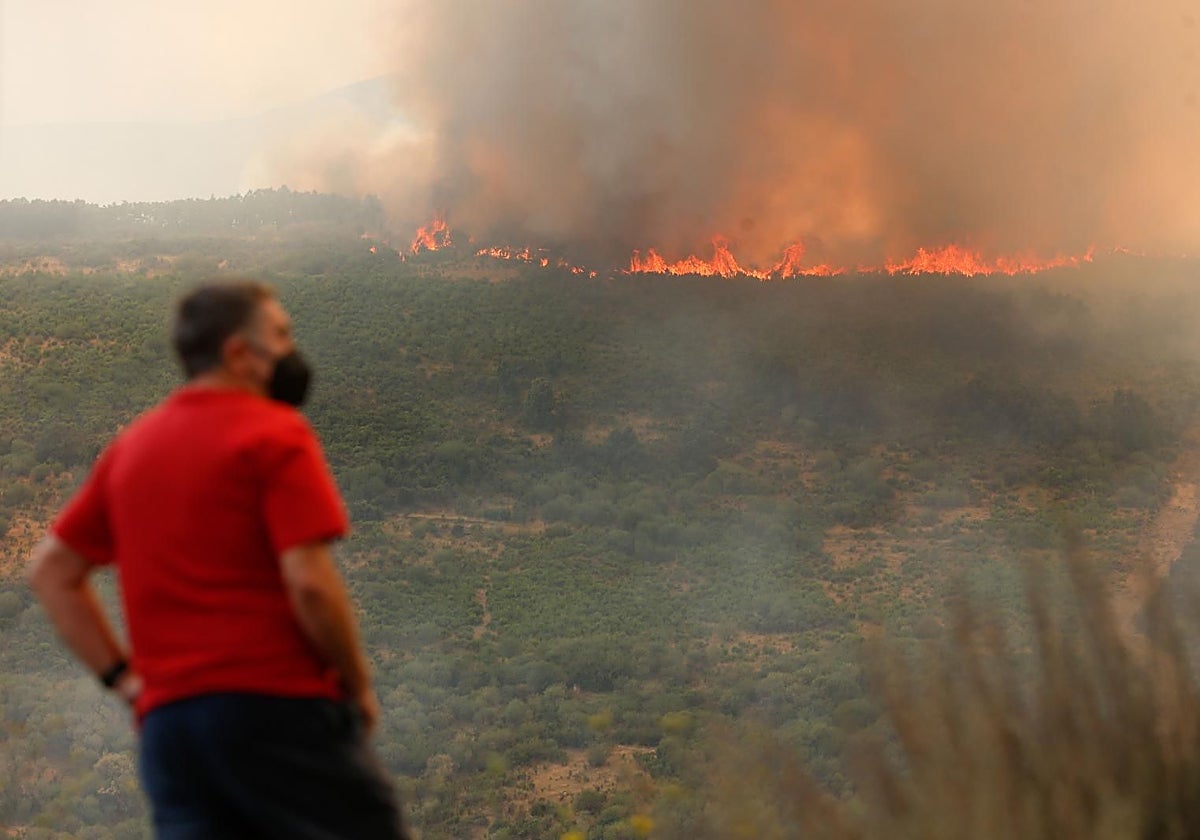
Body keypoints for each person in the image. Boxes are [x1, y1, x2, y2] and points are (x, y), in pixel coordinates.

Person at [25, 280, 408, 839]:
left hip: (171, 730)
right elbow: (311, 586)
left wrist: (125, 681)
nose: (289, 350)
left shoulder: (130, 449)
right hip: (277, 712)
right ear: (237, 352)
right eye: (279, 335)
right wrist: (358, 685)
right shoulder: (274, 434)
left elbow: (50, 572)